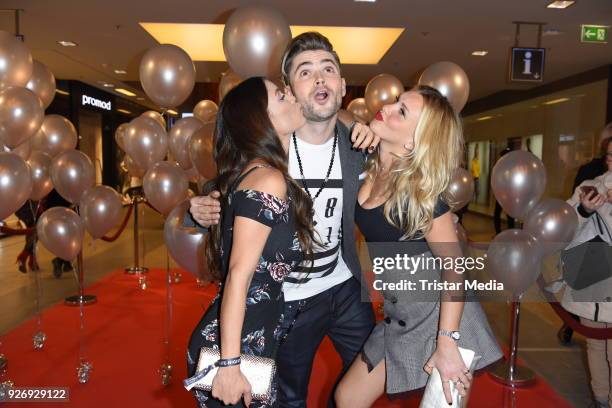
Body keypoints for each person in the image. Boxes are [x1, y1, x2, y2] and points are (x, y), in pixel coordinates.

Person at [187, 32, 378, 407]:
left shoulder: (358, 145)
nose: (320, 78)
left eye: (328, 69)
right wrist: (196, 211)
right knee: (289, 396)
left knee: (373, 369)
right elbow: (222, 190)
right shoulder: (269, 149)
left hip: (343, 284)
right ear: (290, 90)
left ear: (341, 85)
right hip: (289, 298)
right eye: (306, 72)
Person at [334, 87, 502, 407]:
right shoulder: (368, 163)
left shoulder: (422, 195)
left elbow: (455, 270)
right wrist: (358, 125)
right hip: (399, 317)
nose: (387, 107)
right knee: (347, 397)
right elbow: (338, 117)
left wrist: (447, 343)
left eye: (401, 112)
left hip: (445, 321)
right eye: (395, 101)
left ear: (413, 141)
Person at [185, 77, 318, 407]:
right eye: (280, 95)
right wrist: (229, 366)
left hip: (249, 337)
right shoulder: (268, 179)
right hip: (233, 349)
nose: (291, 97)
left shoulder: (255, 174)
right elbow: (239, 277)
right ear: (261, 117)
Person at [561, 136, 612, 408]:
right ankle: (601, 399)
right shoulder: (591, 185)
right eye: (609, 153)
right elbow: (565, 225)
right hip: (592, 275)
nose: (610, 158)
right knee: (594, 343)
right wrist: (584, 209)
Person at [493, 146, 515, 234]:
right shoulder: (501, 166)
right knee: (501, 214)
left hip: (507, 194)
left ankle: (506, 232)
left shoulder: (509, 167)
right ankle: (499, 232)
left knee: (509, 215)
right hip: (501, 194)